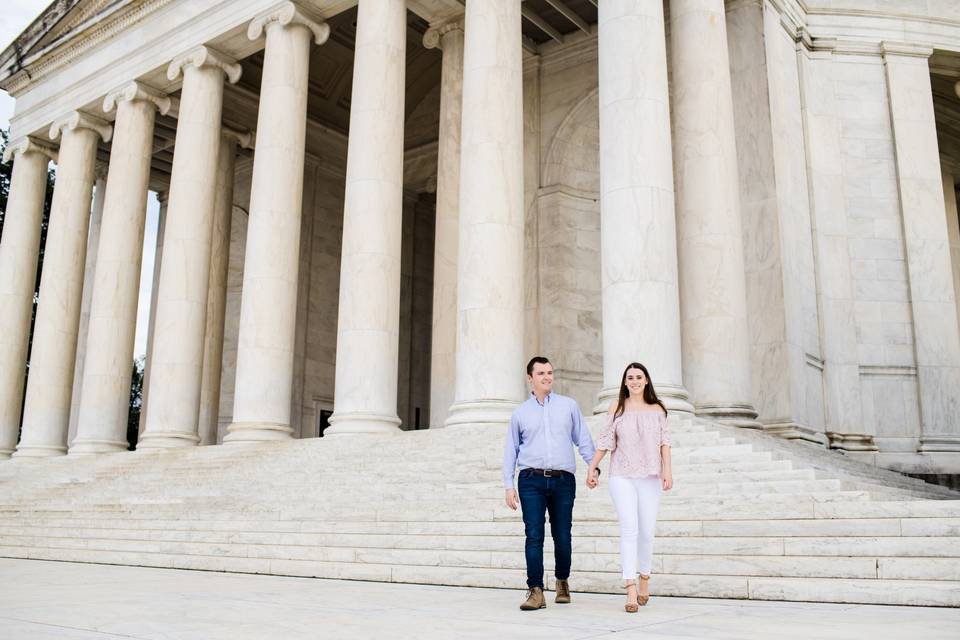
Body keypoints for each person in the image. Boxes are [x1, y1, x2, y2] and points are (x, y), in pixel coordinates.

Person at [503, 356, 596, 611]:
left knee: (562, 535)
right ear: (530, 378)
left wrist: (593, 464)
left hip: (563, 480)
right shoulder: (520, 413)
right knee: (534, 536)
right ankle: (535, 591)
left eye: (550, 372)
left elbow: (583, 439)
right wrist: (508, 485)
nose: (547, 377)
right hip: (530, 480)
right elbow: (511, 450)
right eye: (541, 373)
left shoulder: (569, 406)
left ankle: (562, 581)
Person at [587, 362, 673, 613]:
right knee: (629, 530)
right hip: (621, 475)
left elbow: (665, 442)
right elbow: (605, 440)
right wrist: (593, 467)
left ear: (646, 381)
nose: (634, 381)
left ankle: (645, 577)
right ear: (625, 382)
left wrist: (667, 470)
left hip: (650, 475)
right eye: (630, 377)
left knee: (646, 531)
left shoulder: (658, 409)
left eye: (639, 377)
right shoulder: (617, 407)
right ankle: (631, 588)